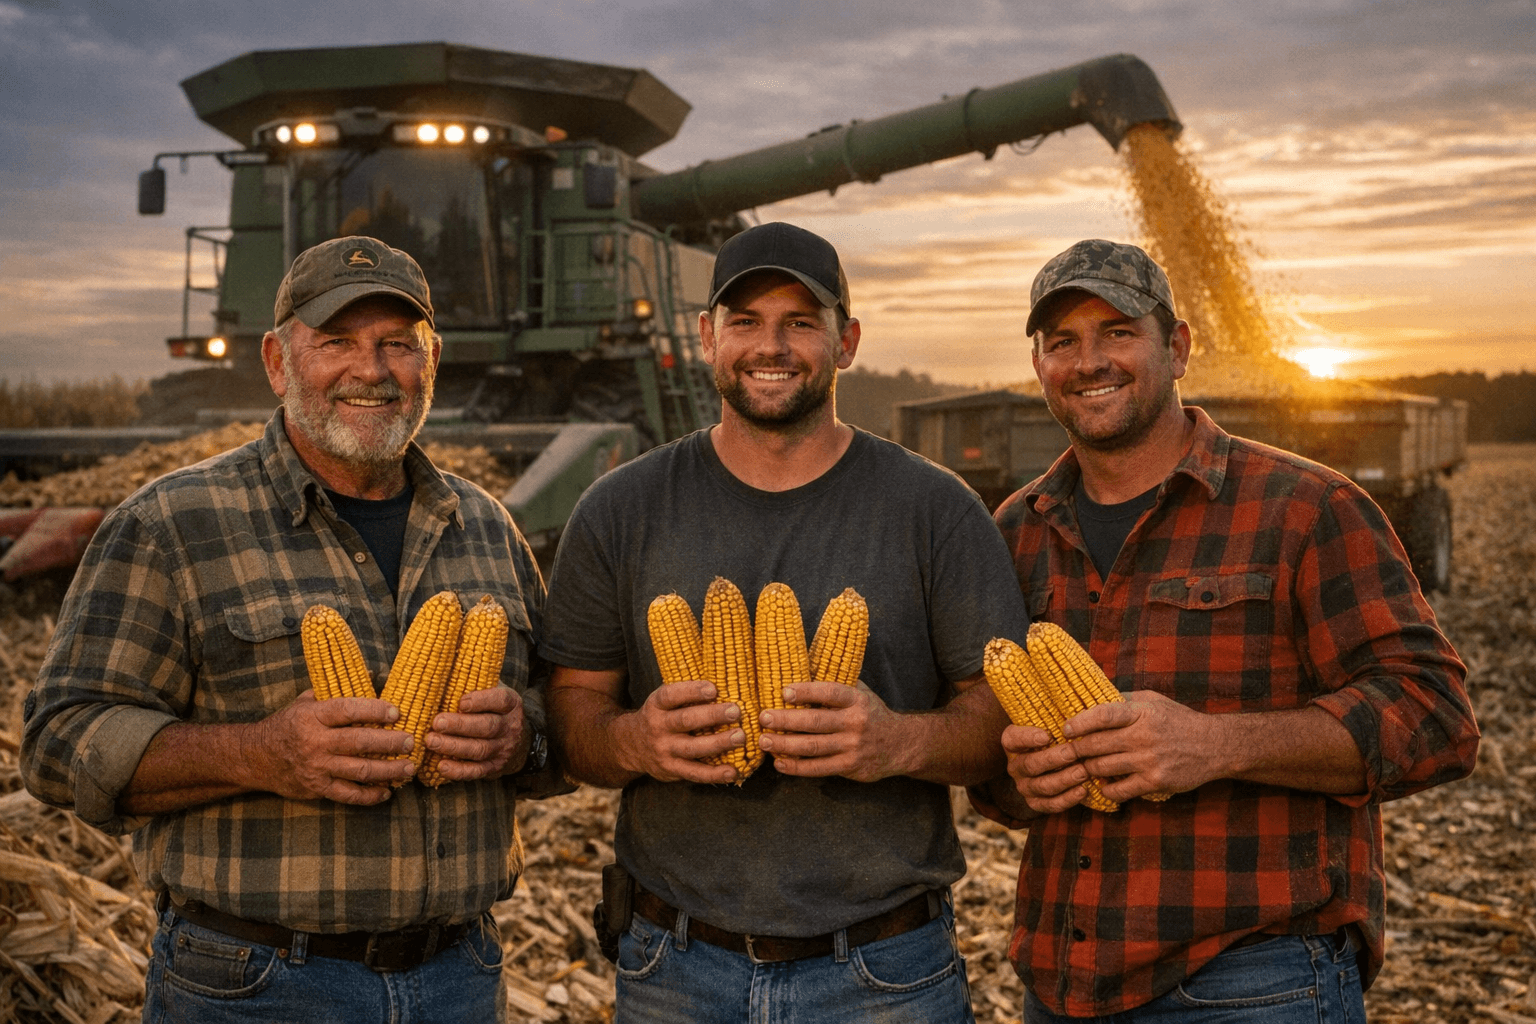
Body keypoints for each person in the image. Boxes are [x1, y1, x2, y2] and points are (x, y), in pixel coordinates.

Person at [22, 235, 555, 1022]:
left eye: (397, 345)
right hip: (257, 984)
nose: (371, 370)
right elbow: (59, 742)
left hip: (459, 975)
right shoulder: (172, 524)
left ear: (431, 360)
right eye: (336, 342)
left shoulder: (486, 526)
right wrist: (260, 754)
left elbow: (559, 723)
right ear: (276, 361)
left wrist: (524, 738)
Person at [971, 239, 1479, 1021]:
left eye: (1117, 332)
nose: (1089, 360)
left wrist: (1214, 746)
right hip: (1062, 977)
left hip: (1252, 981)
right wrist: (1018, 780)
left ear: (1176, 348)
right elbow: (998, 774)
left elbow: (1436, 719)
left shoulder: (1306, 507)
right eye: (1061, 341)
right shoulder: (1016, 530)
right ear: (1038, 365)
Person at [541, 221, 1029, 1023]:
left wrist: (893, 743)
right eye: (745, 321)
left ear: (847, 342)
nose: (772, 346)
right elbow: (573, 714)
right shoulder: (620, 510)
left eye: (801, 322)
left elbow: (997, 713)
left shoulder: (935, 509)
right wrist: (637, 741)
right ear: (706, 336)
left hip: (885, 969)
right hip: (676, 965)